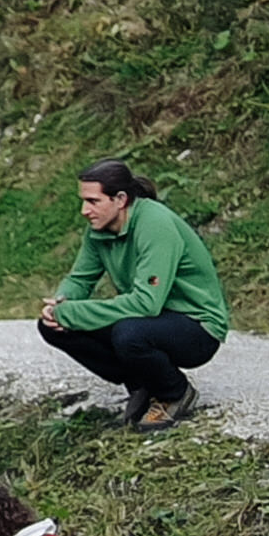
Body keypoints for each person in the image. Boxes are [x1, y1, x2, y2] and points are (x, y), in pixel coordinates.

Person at [38, 158, 230, 433]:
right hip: (153, 319)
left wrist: (72, 313)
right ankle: (144, 384)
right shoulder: (98, 230)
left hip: (197, 327)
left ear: (120, 199)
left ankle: (174, 393)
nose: (84, 210)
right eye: (84, 201)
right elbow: (80, 279)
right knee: (54, 329)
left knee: (130, 334)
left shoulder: (155, 224)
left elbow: (146, 303)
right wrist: (62, 302)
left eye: (93, 201)